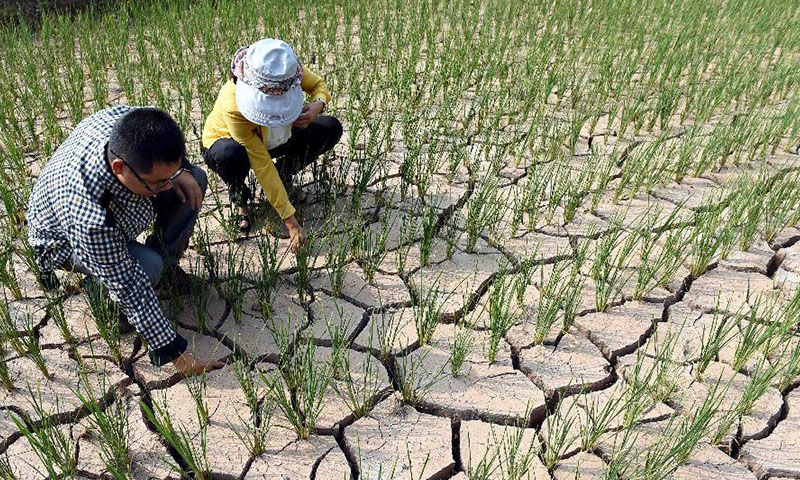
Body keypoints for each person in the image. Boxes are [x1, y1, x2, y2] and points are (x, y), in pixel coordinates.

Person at [26, 106, 223, 376]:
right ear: (119, 167)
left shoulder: (128, 123)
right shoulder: (87, 213)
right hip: (64, 243)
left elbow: (166, 158)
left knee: (194, 179)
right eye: (159, 182)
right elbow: (129, 284)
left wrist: (180, 172)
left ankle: (166, 267)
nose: (167, 184)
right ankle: (103, 296)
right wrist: (176, 353)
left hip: (115, 210)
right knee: (146, 269)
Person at [201, 38, 343, 252]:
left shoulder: (285, 72)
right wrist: (291, 223)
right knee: (230, 155)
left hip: (274, 135)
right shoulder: (233, 103)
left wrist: (317, 106)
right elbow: (261, 163)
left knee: (330, 127)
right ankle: (239, 198)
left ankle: (283, 174)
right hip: (230, 143)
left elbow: (317, 86)